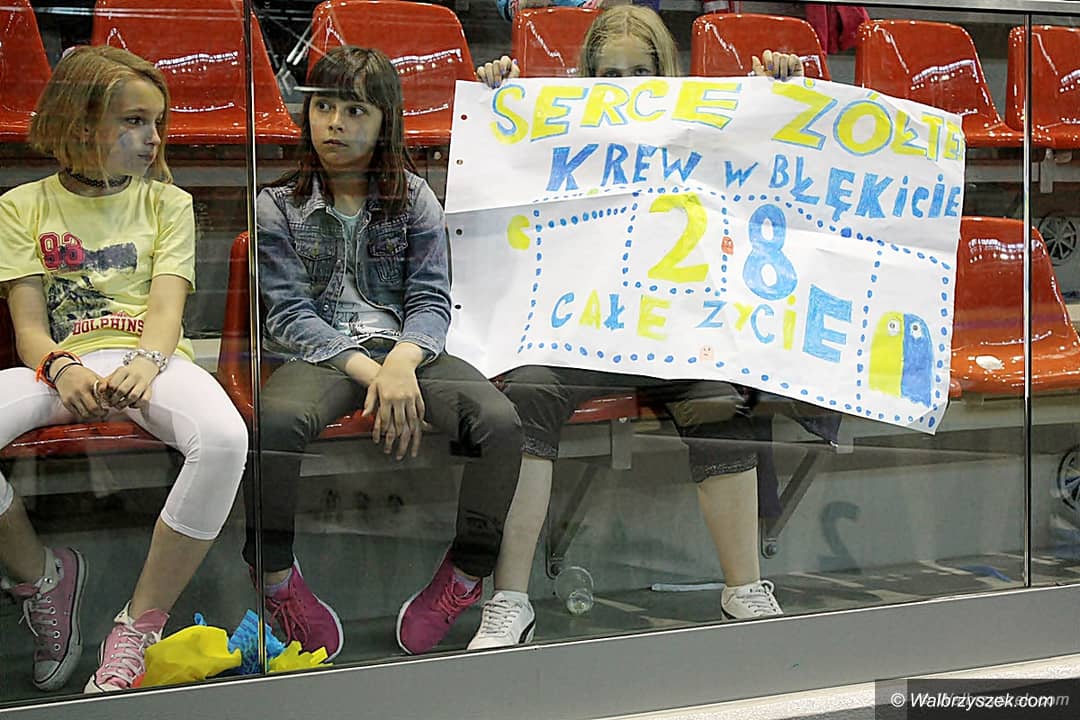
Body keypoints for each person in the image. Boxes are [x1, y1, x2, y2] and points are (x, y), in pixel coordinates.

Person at [469, 6, 804, 650]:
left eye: (639, 72)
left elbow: (772, 153)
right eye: (609, 74)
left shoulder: (697, 132)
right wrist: (498, 98)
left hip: (669, 328)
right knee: (529, 390)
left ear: (664, 73)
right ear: (586, 78)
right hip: (579, 330)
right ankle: (508, 599)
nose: (624, 86)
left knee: (718, 397)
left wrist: (781, 93)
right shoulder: (563, 133)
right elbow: (500, 161)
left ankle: (743, 587)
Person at [248, 45, 524, 659]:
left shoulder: (415, 197)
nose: (335, 124)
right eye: (324, 107)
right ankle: (275, 579)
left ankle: (466, 575)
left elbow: (431, 298)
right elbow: (288, 314)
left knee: (501, 423)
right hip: (323, 354)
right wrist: (370, 370)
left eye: (355, 111)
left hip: (407, 348)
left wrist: (401, 362)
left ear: (384, 123)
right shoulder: (276, 206)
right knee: (275, 423)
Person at [0, 46, 248, 692]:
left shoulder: (168, 203)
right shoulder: (21, 205)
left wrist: (148, 361)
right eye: (134, 121)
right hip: (61, 368)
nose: (153, 137)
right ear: (81, 123)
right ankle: (43, 577)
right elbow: (29, 329)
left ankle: (138, 626)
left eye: (156, 122)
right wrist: (60, 366)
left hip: (152, 360)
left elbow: (166, 309)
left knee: (226, 437)